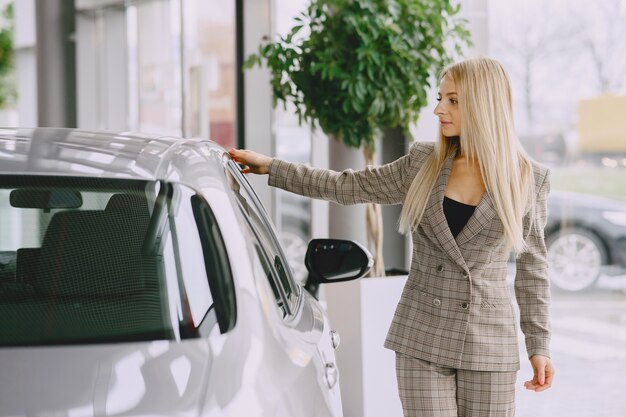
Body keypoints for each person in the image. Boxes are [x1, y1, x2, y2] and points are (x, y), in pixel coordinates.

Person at [229, 56, 554, 417]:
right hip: (422, 335)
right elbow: (347, 186)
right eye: (439, 97)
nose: (437, 109)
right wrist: (272, 167)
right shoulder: (423, 162)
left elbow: (533, 269)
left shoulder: (529, 178)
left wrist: (538, 344)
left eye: (452, 100)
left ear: (483, 104)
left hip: (489, 343)